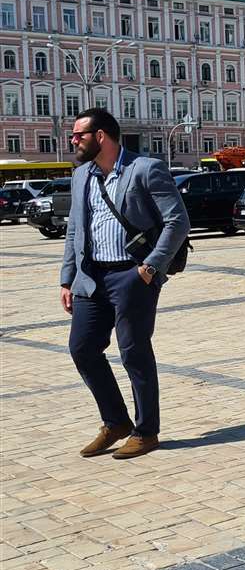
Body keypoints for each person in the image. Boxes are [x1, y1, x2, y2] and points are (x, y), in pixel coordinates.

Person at [60, 108, 190, 460]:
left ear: (100, 136)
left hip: (132, 275)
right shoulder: (81, 175)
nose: (73, 140)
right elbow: (75, 230)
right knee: (82, 349)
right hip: (92, 277)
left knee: (133, 352)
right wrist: (67, 278)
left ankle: (146, 431)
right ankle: (115, 421)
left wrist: (149, 269)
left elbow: (177, 220)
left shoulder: (144, 169)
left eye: (79, 135)